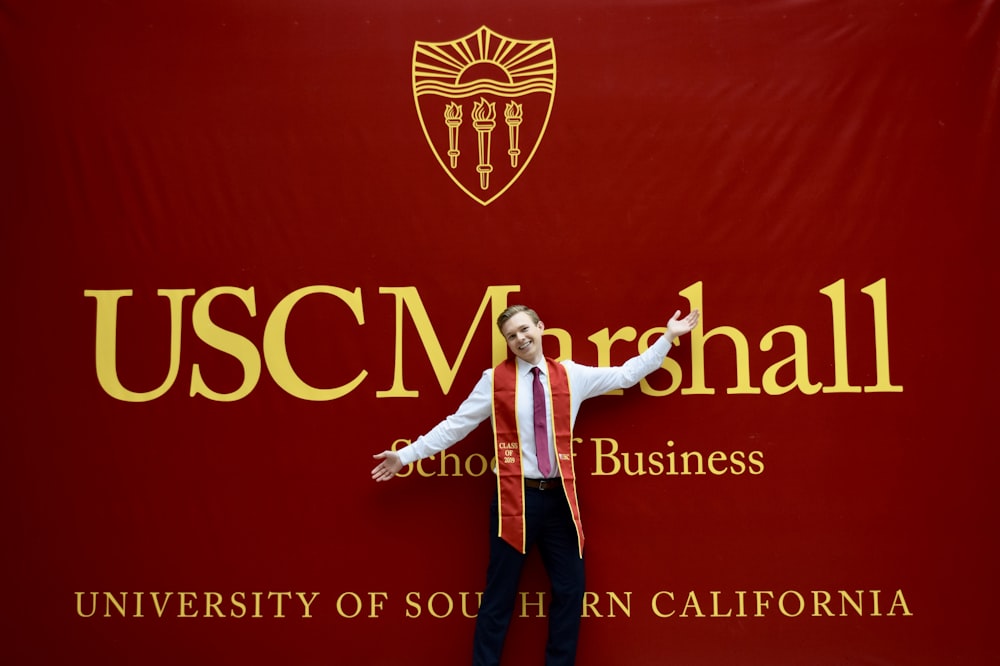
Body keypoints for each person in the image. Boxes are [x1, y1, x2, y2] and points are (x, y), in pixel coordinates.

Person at [371, 304, 700, 666]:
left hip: (559, 500)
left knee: (571, 590)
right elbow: (456, 425)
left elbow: (626, 375)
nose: (520, 339)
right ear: (507, 342)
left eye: (524, 330)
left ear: (541, 328)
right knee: (499, 595)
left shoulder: (571, 375)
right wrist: (405, 456)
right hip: (516, 499)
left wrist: (668, 337)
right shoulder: (495, 381)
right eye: (511, 336)